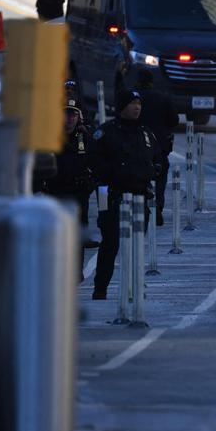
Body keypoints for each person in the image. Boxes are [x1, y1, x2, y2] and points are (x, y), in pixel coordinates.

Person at [87, 88, 158, 300]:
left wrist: (153, 173)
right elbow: (94, 165)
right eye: (132, 103)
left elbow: (158, 158)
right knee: (110, 242)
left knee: (136, 244)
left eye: (139, 104)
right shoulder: (105, 132)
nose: (137, 107)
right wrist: (112, 181)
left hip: (138, 197)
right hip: (110, 195)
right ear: (122, 107)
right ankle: (100, 288)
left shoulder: (145, 133)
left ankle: (135, 287)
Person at [42, 95, 95, 279]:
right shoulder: (49, 138)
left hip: (78, 193)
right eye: (66, 114)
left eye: (73, 114)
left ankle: (76, 271)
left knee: (77, 234)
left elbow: (97, 164)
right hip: (55, 192)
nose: (69, 118)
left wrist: (90, 185)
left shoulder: (85, 138)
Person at [132, 66, 178, 226]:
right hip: (159, 146)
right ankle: (158, 207)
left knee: (137, 179)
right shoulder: (163, 98)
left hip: (136, 146)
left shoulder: (133, 99)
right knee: (160, 177)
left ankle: (141, 207)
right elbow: (174, 121)